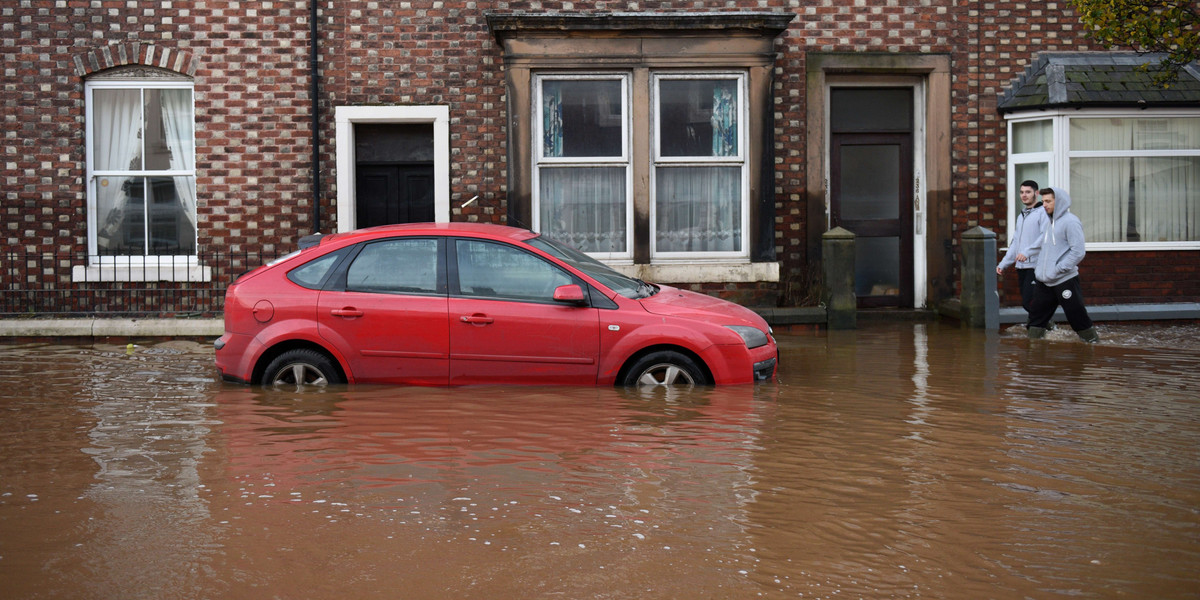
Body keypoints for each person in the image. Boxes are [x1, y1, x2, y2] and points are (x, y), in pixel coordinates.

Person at [1026, 187, 1099, 343]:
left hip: (1064, 279)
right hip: (1044, 281)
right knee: (1035, 317)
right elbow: (1045, 248)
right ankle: (1033, 357)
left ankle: (1092, 345)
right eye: (1043, 201)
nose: (1044, 204)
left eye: (1048, 201)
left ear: (1058, 202)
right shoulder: (1048, 223)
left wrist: (1058, 269)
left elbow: (1078, 252)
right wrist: (1040, 269)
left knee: (1076, 315)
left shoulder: (1071, 222)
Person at [996, 180, 1047, 325]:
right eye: (1022, 192)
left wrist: (1027, 252)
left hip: (1036, 266)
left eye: (1028, 192)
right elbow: (1015, 243)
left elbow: (1045, 237)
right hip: (1021, 266)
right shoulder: (1022, 216)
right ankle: (1042, 328)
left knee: (1029, 302)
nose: (1024, 195)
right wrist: (1003, 264)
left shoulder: (1042, 213)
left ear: (1036, 193)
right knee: (1029, 303)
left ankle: (1043, 327)